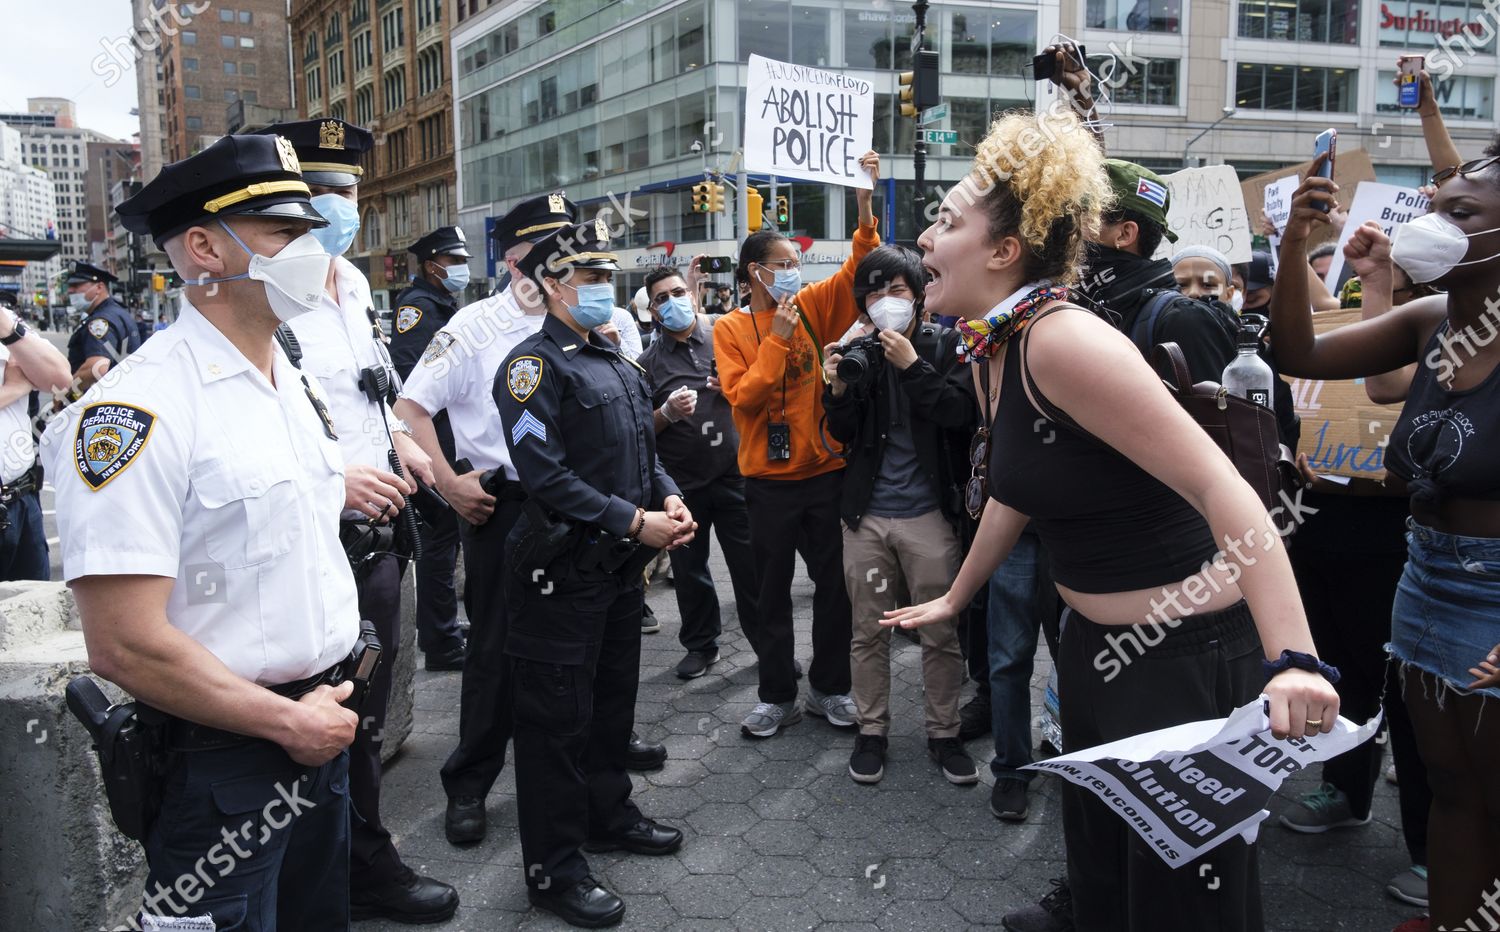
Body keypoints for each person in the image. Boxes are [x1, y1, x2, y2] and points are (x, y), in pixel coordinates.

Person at [886, 108, 1339, 932]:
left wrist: (1296, 658)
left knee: (1185, 897)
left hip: (1186, 659)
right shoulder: (998, 346)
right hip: (1095, 650)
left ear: (1003, 250)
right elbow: (1014, 489)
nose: (923, 240)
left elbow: (1224, 487)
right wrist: (957, 596)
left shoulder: (1066, 341)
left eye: (944, 221)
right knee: (1100, 861)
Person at [47, 132, 365, 931]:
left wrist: (311, 719)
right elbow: (124, 642)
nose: (311, 251)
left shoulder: (285, 374)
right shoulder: (138, 410)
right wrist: (287, 723)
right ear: (204, 249)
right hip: (227, 758)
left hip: (320, 727)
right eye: (282, 235)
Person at [1271, 145, 1500, 932]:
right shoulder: (1436, 319)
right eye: (1437, 207)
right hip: (1424, 582)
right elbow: (1297, 354)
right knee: (1454, 790)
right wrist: (1293, 245)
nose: (1434, 225)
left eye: (1461, 214)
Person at [393, 194, 667, 848]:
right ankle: (471, 783)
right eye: (545, 248)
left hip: (598, 510)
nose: (561, 259)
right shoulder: (472, 327)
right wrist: (450, 484)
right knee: (496, 656)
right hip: (511, 507)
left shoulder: (596, 325)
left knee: (598, 654)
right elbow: (410, 408)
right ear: (518, 258)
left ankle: (600, 781)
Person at [257, 117, 458, 924]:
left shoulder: (353, 284)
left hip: (379, 534)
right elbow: (252, 416)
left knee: (362, 710)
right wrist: (332, 476)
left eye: (351, 192)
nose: (343, 207)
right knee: (320, 709)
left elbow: (365, 394)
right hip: (309, 535)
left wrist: (405, 446)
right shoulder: (267, 286)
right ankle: (333, 872)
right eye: (324, 192)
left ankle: (355, 858)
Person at [495, 220, 695, 928]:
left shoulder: (614, 357)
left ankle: (609, 814)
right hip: (560, 573)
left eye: (607, 276)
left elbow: (644, 446)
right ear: (551, 286)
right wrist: (632, 519)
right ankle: (554, 868)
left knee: (610, 708)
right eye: (587, 277)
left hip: (615, 572)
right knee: (554, 724)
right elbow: (543, 476)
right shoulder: (532, 368)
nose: (602, 289)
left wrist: (667, 494)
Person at [715, 150, 881, 738]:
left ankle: (830, 688)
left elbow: (857, 269)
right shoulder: (730, 329)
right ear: (753, 273)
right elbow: (745, 398)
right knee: (770, 593)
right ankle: (775, 693)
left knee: (835, 588)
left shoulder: (812, 306)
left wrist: (864, 204)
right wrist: (777, 341)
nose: (794, 271)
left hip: (823, 475)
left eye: (796, 261)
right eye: (782, 263)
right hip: (765, 485)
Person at [821, 244, 977, 785]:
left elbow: (960, 415)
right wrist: (838, 385)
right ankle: (871, 732)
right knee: (868, 632)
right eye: (874, 292)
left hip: (929, 516)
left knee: (939, 631)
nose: (885, 301)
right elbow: (839, 433)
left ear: (918, 297)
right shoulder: (856, 351)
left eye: (898, 291)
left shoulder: (945, 346)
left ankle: (944, 733)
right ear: (862, 303)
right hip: (865, 517)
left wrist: (912, 369)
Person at [639, 262, 758, 680]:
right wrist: (666, 413)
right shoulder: (646, 363)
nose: (671, 302)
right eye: (661, 299)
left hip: (736, 474)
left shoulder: (727, 335)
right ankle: (701, 646)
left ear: (692, 295)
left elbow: (765, 387)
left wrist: (735, 389)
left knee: (752, 569)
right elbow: (640, 430)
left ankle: (769, 648)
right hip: (683, 487)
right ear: (653, 311)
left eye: (677, 293)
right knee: (690, 574)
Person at [389, 225, 474, 673]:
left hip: (446, 434)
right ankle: (440, 642)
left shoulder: (443, 303)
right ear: (432, 265)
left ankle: (444, 627)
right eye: (454, 262)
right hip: (430, 437)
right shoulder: (418, 308)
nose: (461, 269)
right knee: (439, 541)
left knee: (449, 541)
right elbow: (411, 375)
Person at [1073, 161, 1238, 382]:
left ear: (1124, 234)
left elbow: (1206, 416)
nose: (1066, 234)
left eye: (1079, 220)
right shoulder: (1082, 305)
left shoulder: (1184, 321)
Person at [0, 292, 70, 580]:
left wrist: (7, 328)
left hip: (21, 502)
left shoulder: (7, 323)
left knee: (36, 611)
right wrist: (13, 390)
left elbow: (60, 380)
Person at [64, 261, 141, 397]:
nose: (70, 290)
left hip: (105, 400)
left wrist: (66, 392)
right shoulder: (117, 312)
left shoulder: (100, 321)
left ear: (99, 287)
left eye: (76, 285)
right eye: (70, 286)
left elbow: (97, 367)